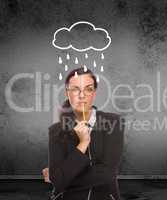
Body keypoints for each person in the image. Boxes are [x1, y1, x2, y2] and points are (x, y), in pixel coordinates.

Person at [44, 67, 124, 200]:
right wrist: (83, 143)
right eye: (75, 89)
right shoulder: (56, 131)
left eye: (88, 89)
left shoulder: (114, 122)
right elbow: (58, 179)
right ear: (67, 92)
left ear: (94, 93)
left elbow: (107, 173)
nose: (82, 95)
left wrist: (60, 179)